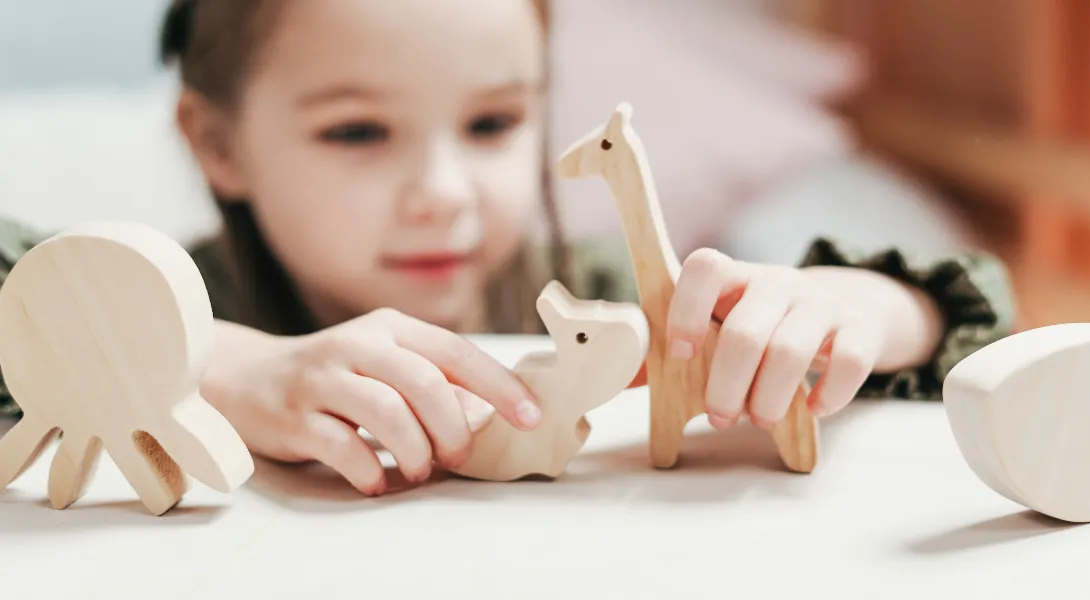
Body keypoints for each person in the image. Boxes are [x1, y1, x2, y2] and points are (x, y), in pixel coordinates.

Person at [0, 0, 1014, 496]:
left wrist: (874, 310)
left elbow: (978, 334)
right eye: (357, 132)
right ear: (218, 145)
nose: (445, 194)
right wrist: (216, 364)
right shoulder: (139, 301)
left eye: (491, 125)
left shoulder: (611, 305)